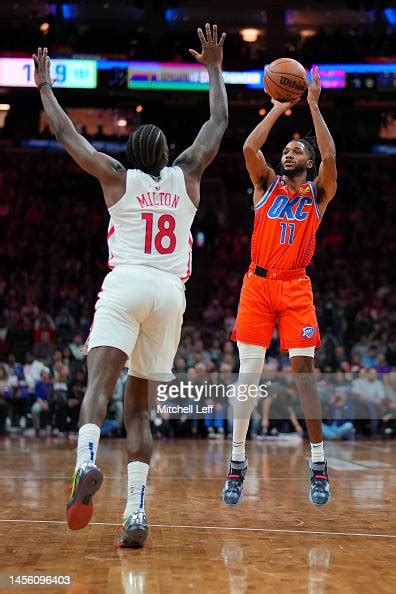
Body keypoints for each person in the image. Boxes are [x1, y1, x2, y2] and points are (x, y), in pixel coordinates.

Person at [32, 23, 228, 548]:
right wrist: (212, 67)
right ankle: (137, 512)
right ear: (166, 153)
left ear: (133, 151)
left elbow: (69, 138)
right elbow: (218, 121)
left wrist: (46, 88)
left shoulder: (117, 176)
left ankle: (86, 463)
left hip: (126, 284)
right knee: (139, 411)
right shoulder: (187, 174)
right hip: (169, 294)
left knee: (98, 387)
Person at [223, 66, 337, 507]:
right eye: (285, 150)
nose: (287, 154)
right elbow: (250, 146)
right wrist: (276, 108)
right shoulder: (265, 185)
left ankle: (318, 464)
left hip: (295, 288)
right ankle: (237, 463)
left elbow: (330, 159)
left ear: (306, 163)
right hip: (257, 285)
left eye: (295, 151)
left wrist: (311, 104)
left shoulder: (317, 195)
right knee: (248, 376)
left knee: (303, 376)